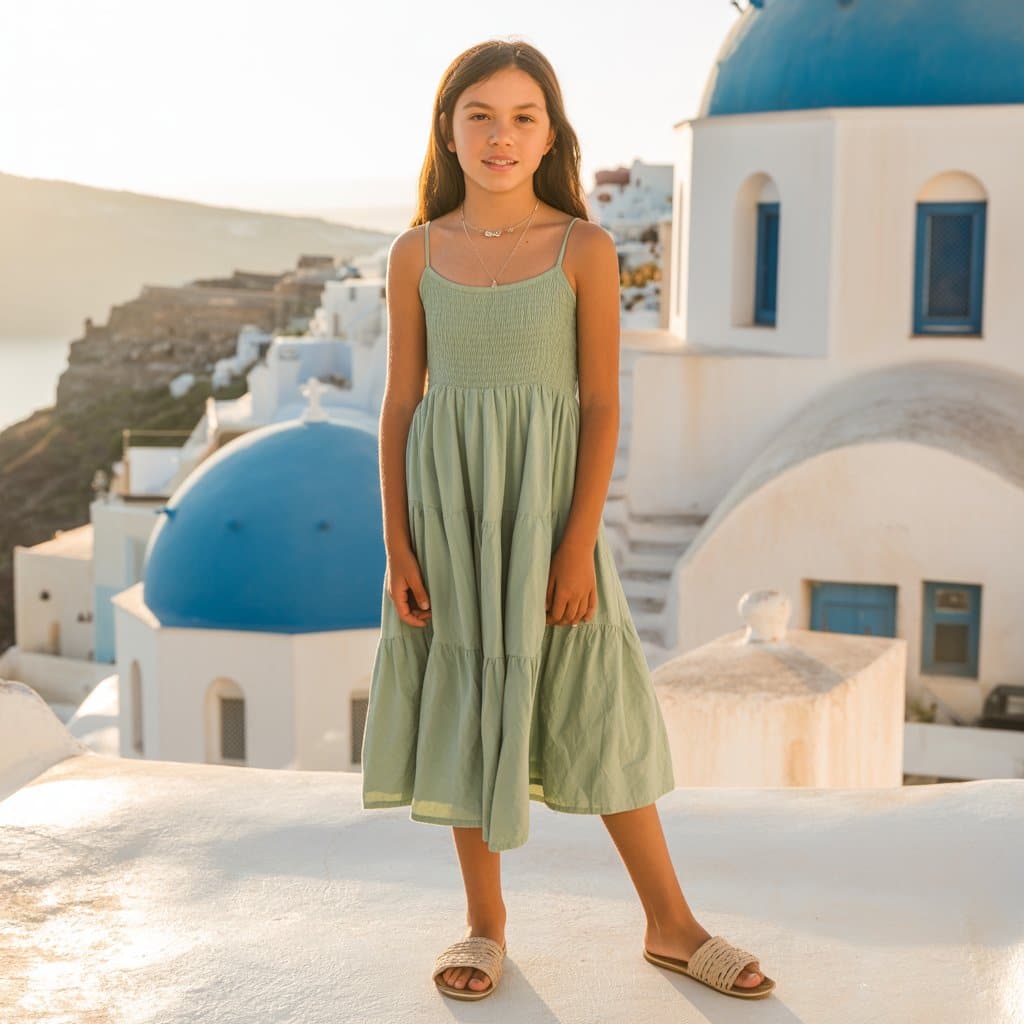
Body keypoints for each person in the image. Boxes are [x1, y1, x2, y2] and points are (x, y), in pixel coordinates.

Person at [360, 38, 774, 1003]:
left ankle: (672, 924)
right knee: (465, 696)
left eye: (523, 117)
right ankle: (483, 923)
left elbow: (598, 406)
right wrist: (397, 544)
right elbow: (400, 404)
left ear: (551, 134)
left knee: (600, 699)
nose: (502, 136)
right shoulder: (413, 252)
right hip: (448, 510)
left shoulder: (585, 248)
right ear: (448, 131)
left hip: (550, 511)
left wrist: (577, 541)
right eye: (482, 116)